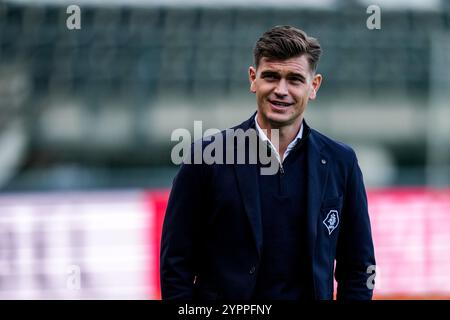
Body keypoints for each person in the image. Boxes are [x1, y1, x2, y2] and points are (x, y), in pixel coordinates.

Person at [160, 25, 376, 300]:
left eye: (295, 79)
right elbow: (175, 266)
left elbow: (359, 268)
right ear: (253, 79)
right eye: (271, 76)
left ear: (314, 86)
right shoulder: (206, 159)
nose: (281, 90)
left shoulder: (341, 162)